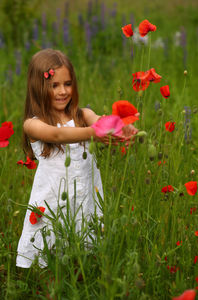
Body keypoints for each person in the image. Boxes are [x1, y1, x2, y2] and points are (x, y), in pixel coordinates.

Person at [16, 48, 137, 268]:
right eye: (54, 85)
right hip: (53, 202)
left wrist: (120, 128)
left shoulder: (82, 115)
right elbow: (58, 135)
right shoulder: (33, 123)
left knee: (83, 247)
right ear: (38, 87)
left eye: (68, 83)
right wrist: (95, 133)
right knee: (51, 252)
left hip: (83, 196)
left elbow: (101, 120)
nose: (63, 91)